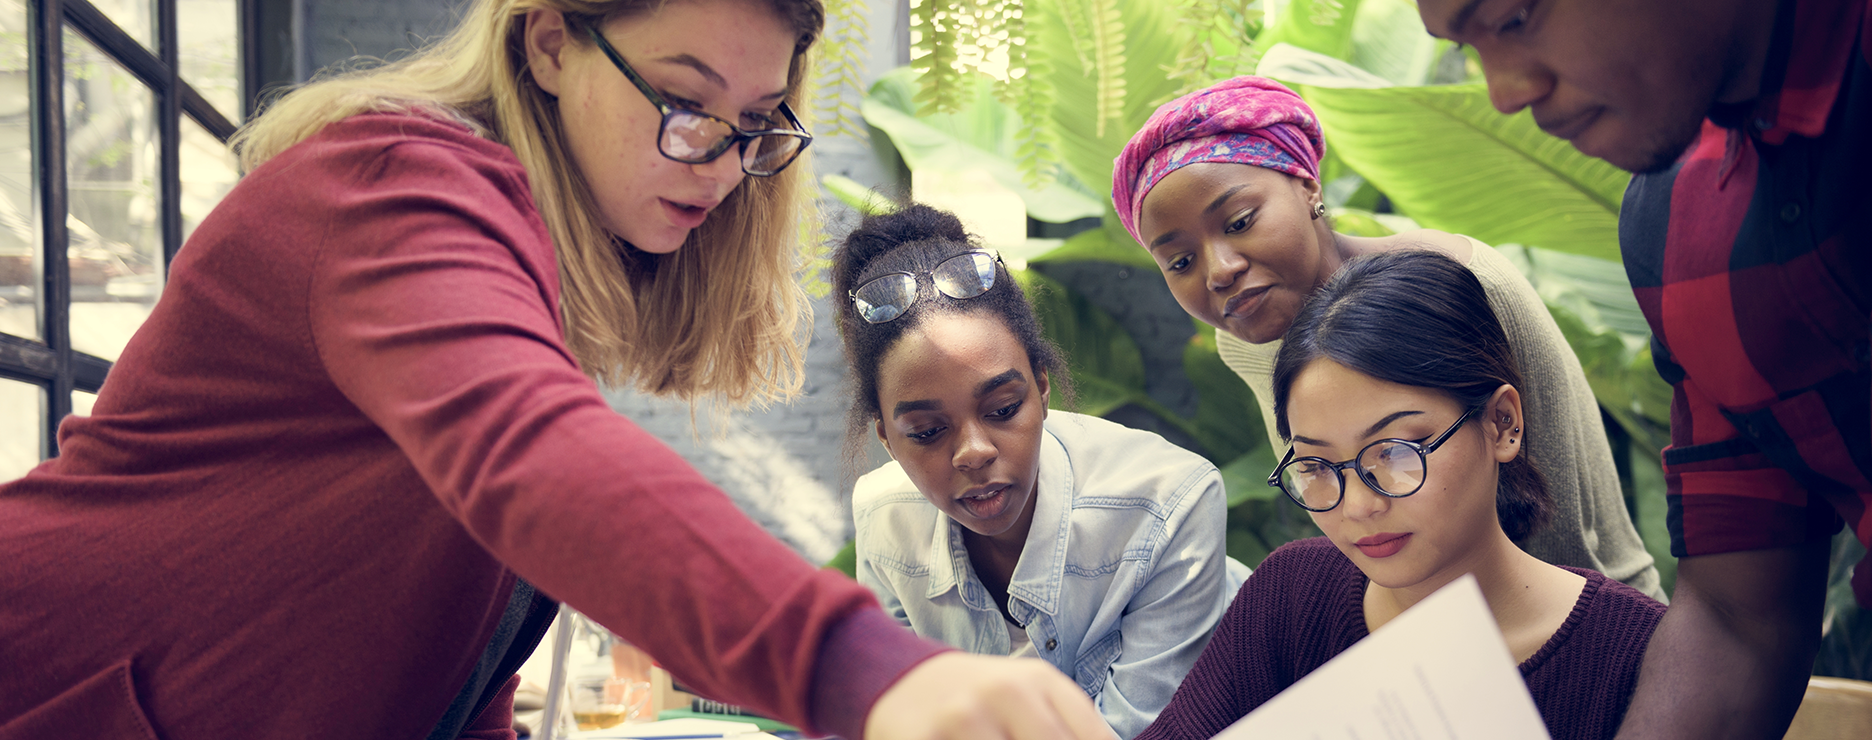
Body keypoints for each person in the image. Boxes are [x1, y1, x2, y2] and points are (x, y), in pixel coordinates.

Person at [0, 1, 1116, 738]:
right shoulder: (391, 186)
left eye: (757, 123)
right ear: (547, 41)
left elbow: (446, 652)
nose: (724, 164)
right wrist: (874, 670)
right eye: (685, 103)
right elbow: (532, 457)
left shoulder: (522, 274)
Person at [1410, 0, 1872, 734]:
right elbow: (1739, 616)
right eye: (1465, 46)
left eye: (1515, 19)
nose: (1505, 91)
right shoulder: (1679, 227)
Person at [1110, 76, 1665, 600]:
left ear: (1307, 187)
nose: (1219, 270)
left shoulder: (1462, 287)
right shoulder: (1248, 337)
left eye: (1238, 222)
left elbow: (1557, 513)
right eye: (1180, 260)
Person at [1137, 249, 1667, 740]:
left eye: (1393, 452)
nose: (1358, 506)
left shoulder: (1640, 657)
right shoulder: (1293, 595)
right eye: (1317, 465)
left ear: (1502, 423)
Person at [833, 204, 1250, 740]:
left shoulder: (1167, 504)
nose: (975, 452)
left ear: (1043, 390)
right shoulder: (886, 519)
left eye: (1004, 409)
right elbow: (902, 717)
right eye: (927, 432)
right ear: (886, 437)